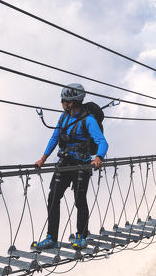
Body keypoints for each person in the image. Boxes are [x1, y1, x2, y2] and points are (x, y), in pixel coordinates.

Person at [33, 83, 108, 250]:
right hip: (65, 163)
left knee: (79, 200)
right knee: (53, 197)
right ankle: (51, 237)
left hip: (82, 165)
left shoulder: (88, 120)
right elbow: (55, 137)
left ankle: (82, 236)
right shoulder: (64, 117)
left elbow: (102, 142)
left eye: (63, 100)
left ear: (71, 102)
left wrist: (98, 157)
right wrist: (43, 158)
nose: (61, 102)